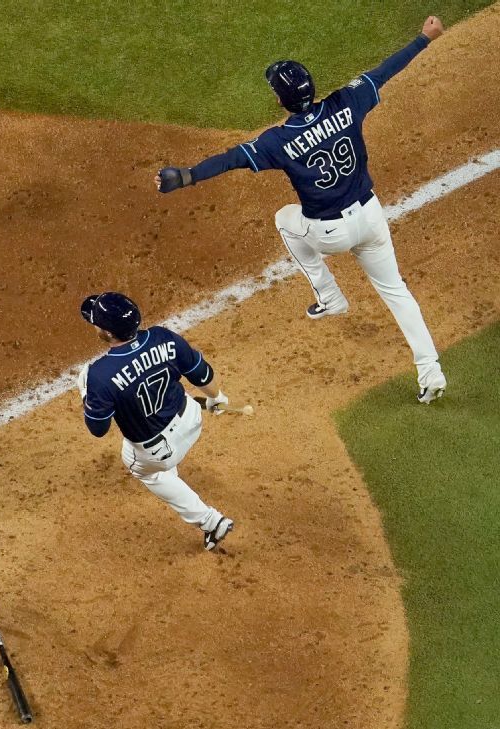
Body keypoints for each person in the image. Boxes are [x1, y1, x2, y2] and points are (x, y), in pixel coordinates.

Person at [154, 16, 449, 404]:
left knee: (285, 219)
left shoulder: (277, 141)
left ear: (279, 100)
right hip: (371, 217)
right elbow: (385, 71)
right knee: (397, 292)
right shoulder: (348, 100)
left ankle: (329, 296)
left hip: (329, 233)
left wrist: (188, 175)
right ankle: (431, 374)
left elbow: (231, 159)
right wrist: (424, 38)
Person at [78, 292, 234, 551]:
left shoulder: (99, 375)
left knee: (143, 469)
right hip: (192, 420)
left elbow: (98, 429)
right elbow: (202, 374)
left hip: (158, 452)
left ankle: (210, 522)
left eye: (96, 323)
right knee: (170, 391)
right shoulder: (164, 336)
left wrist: (86, 392)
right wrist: (217, 397)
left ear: (107, 333)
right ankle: (171, 465)